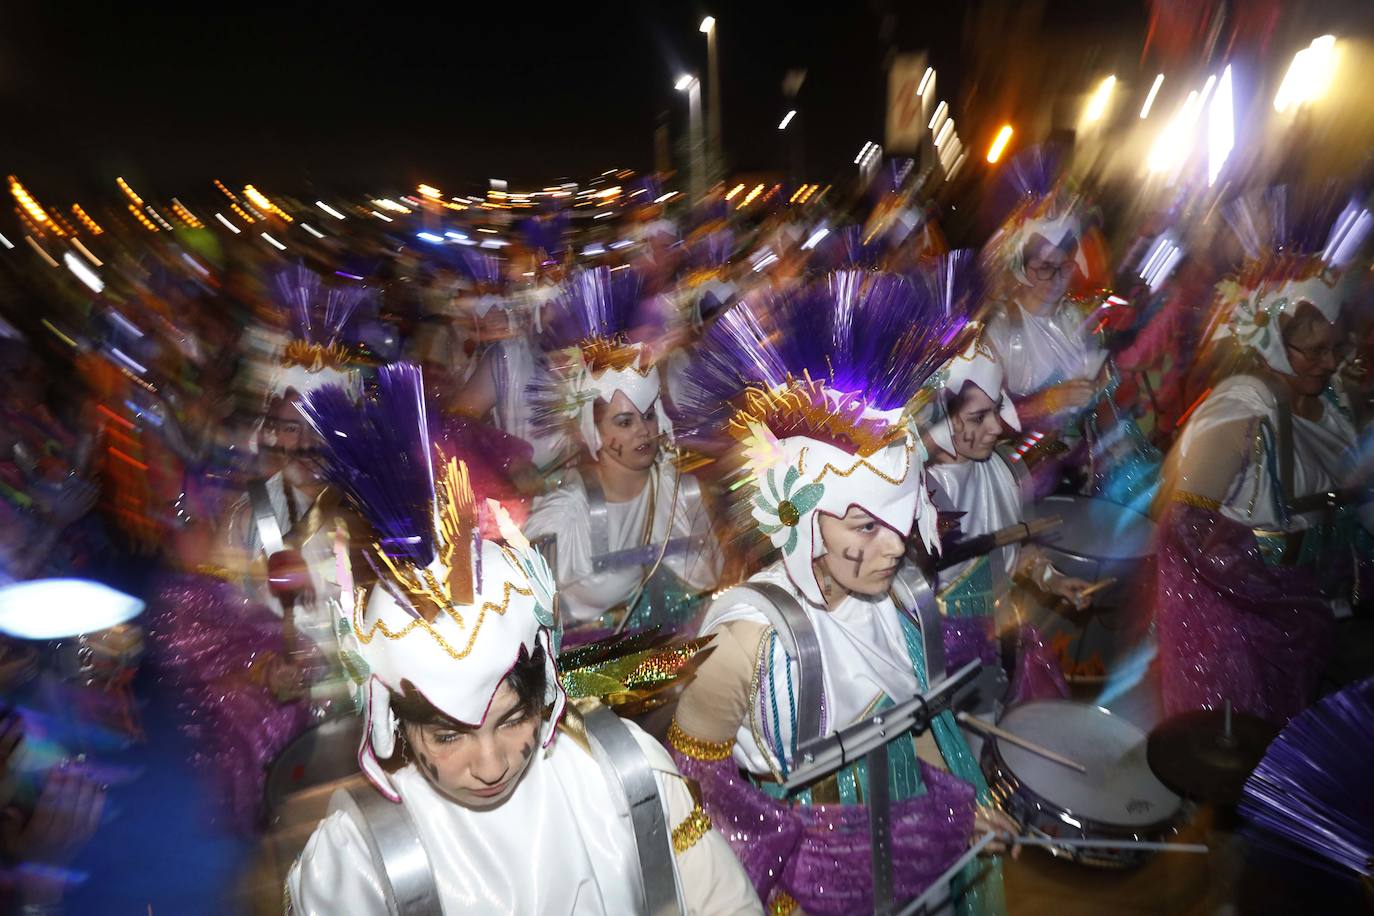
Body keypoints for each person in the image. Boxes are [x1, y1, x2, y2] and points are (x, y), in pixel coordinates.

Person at [288, 362, 760, 915]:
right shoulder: (361, 864)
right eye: (447, 737)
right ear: (393, 723)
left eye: (513, 719)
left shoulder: (627, 775)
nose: (490, 766)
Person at [668, 272, 1012, 916]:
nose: (894, 546)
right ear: (799, 520)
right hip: (809, 876)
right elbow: (699, 794)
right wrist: (767, 885)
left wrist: (962, 807)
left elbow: (919, 725)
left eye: (902, 516)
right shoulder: (747, 639)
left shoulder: (901, 600)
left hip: (911, 848)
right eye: (864, 525)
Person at [1156, 190, 1373, 724]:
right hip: (1242, 637)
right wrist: (1255, 603)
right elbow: (1180, 533)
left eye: (1334, 346)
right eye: (1313, 350)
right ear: (1275, 343)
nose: (1328, 362)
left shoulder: (1337, 406)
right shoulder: (1241, 408)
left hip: (1321, 624)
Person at [523, 268, 721, 633]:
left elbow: (708, 593)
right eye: (624, 422)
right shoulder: (566, 517)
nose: (643, 431)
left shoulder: (680, 494)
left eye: (648, 416)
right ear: (593, 431)